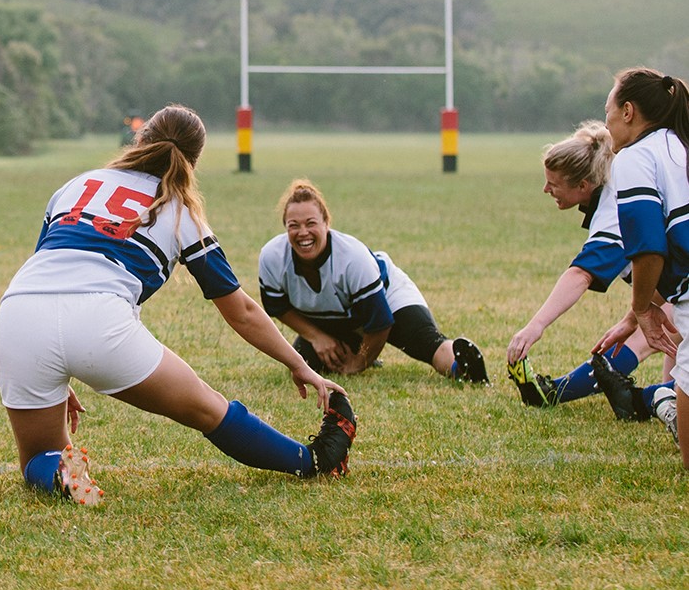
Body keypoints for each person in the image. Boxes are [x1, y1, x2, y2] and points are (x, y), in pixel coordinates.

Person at [0, 105, 357, 504]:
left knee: (37, 457)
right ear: (193, 161)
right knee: (208, 410)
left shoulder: (77, 184)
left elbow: (51, 266)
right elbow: (242, 311)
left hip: (19, 314)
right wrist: (299, 364)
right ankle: (311, 461)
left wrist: (55, 375)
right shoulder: (182, 211)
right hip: (98, 321)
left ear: (140, 139)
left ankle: (60, 472)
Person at [506, 121, 673, 411]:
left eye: (553, 183)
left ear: (583, 185)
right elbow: (663, 282)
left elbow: (580, 275)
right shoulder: (620, 179)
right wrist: (633, 317)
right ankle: (665, 403)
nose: (545, 189)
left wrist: (535, 326)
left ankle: (645, 400)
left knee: (668, 325)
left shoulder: (613, 209)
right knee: (667, 326)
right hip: (678, 287)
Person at [258, 178, 488, 382]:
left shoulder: (352, 258)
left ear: (327, 223)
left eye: (311, 223)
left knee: (427, 343)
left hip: (387, 298)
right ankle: (357, 345)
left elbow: (380, 322)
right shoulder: (273, 257)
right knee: (305, 362)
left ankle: (463, 368)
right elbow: (277, 306)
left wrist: (359, 363)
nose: (303, 232)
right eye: (293, 225)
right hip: (340, 315)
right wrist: (316, 336)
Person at [592, 67, 689, 463]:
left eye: (608, 110)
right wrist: (637, 317)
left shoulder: (634, 157)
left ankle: (664, 397)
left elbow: (649, 249)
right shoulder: (679, 144)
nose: (606, 122)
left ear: (628, 111)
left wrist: (640, 308)